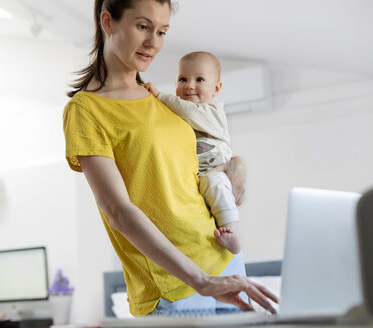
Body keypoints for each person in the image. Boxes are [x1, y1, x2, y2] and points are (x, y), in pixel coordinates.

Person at [63, 0, 278, 317]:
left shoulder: (161, 100)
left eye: (162, 31)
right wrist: (200, 280)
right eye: (143, 26)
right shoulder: (86, 110)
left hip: (222, 257)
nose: (154, 43)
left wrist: (237, 167)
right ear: (108, 22)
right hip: (176, 284)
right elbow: (117, 211)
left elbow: (199, 162)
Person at [144, 51, 241, 255]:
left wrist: (159, 96)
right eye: (183, 79)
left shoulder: (213, 112)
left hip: (215, 172)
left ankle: (233, 232)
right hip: (194, 179)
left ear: (216, 88)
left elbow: (189, 111)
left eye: (199, 79)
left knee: (215, 185)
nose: (189, 85)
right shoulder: (175, 117)